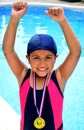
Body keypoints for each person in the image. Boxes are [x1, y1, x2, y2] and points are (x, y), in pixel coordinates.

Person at [2, 2, 81, 130]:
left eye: (48, 58)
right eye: (36, 58)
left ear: (56, 58)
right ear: (28, 59)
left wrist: (63, 21)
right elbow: (7, 50)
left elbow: (76, 52)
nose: (42, 63)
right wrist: (14, 19)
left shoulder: (59, 78)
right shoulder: (23, 75)